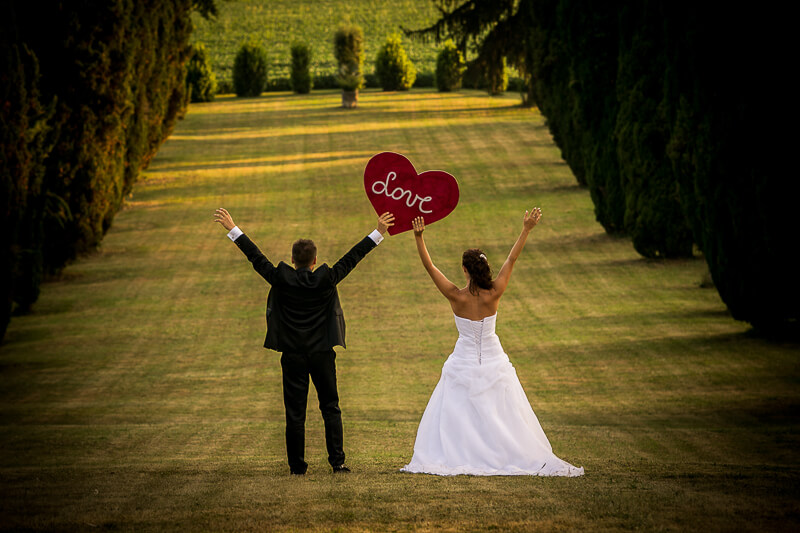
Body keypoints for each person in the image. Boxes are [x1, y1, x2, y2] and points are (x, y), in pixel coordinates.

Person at [401, 209, 584, 476]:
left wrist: (419, 237)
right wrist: (526, 228)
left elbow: (430, 267)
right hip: (493, 358)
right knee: (501, 412)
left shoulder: (456, 297)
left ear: (464, 270)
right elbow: (512, 258)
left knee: (460, 411)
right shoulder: (495, 292)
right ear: (484, 268)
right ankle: (501, 451)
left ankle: (464, 452)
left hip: (463, 360)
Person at [214, 207, 395, 475]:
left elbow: (256, 257)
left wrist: (233, 228)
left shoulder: (280, 279)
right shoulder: (327, 278)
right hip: (322, 353)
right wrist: (378, 231)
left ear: (292, 259)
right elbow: (352, 258)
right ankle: (338, 462)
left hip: (292, 355)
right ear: (315, 261)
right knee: (330, 408)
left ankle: (297, 466)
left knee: (295, 413)